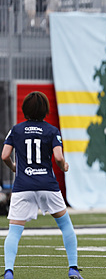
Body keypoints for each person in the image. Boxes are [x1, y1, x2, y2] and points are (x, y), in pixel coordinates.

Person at [1, 91, 83, 279]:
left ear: (25, 109)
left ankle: (8, 272)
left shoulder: (16, 130)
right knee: (65, 226)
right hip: (48, 185)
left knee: (14, 231)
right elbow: (59, 157)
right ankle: (73, 268)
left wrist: (13, 167)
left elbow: (4, 155)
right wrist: (64, 166)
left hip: (23, 186)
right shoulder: (52, 130)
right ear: (45, 110)